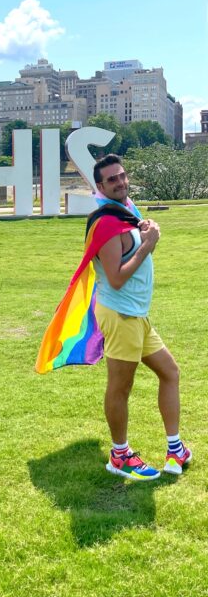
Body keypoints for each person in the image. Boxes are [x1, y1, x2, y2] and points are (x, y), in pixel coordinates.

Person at [93, 153, 192, 481]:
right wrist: (148, 245)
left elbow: (137, 239)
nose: (120, 182)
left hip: (137, 315)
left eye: (122, 176)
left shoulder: (125, 210)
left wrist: (147, 228)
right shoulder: (105, 222)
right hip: (121, 315)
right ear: (100, 186)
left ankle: (175, 449)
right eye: (112, 179)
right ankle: (119, 455)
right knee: (121, 386)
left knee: (170, 372)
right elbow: (117, 276)